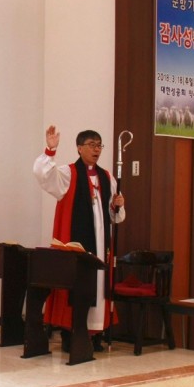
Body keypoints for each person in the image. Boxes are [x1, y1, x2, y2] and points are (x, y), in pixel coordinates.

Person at [33, 125, 125, 352]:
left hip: (100, 243)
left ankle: (95, 334)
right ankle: (70, 333)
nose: (96, 150)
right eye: (92, 145)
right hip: (77, 240)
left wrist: (117, 205)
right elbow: (44, 176)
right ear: (79, 148)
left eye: (99, 145)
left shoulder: (107, 177)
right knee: (74, 283)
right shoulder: (68, 173)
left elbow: (114, 216)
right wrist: (50, 150)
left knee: (98, 284)